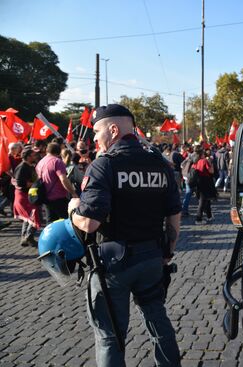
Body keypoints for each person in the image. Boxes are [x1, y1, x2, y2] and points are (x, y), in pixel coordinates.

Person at [67, 104, 181, 367]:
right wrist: (167, 253)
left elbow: (90, 223)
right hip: (152, 257)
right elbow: (174, 215)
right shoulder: (160, 164)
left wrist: (73, 209)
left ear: (114, 130)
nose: (93, 138)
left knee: (110, 336)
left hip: (113, 264)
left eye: (97, 131)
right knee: (158, 323)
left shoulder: (104, 165)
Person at [35, 142, 78, 223]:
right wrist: (73, 192)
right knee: (66, 222)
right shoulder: (57, 161)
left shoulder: (40, 162)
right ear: (58, 152)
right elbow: (63, 179)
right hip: (59, 197)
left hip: (45, 197)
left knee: (50, 223)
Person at [12, 148, 40, 247]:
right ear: (28, 157)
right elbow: (19, 182)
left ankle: (25, 238)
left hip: (28, 194)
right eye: (33, 155)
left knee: (28, 217)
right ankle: (28, 236)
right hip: (23, 196)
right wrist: (34, 184)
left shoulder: (29, 166)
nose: (35, 156)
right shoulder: (22, 167)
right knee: (35, 214)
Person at [193, 147, 216, 224]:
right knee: (202, 201)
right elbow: (211, 171)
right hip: (206, 182)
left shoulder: (196, 161)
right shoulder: (204, 161)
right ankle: (198, 219)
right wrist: (211, 164)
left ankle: (209, 216)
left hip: (199, 182)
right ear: (202, 154)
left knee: (206, 200)